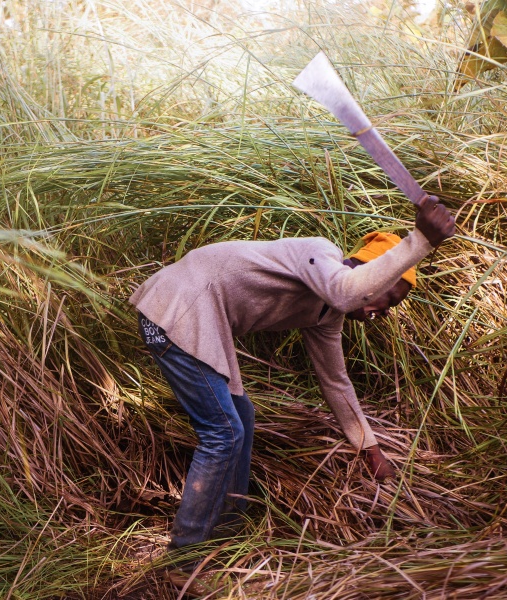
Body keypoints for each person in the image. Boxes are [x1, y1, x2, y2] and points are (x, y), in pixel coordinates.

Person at [130, 196, 455, 558]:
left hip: (199, 321)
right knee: (223, 433)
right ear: (366, 269)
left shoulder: (325, 315)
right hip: (175, 310)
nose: (380, 310)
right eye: (385, 295)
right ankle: (184, 556)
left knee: (242, 418)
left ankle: (229, 529)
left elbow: (336, 382)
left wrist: (369, 448)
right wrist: (421, 241)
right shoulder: (319, 254)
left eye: (390, 307)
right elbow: (347, 293)